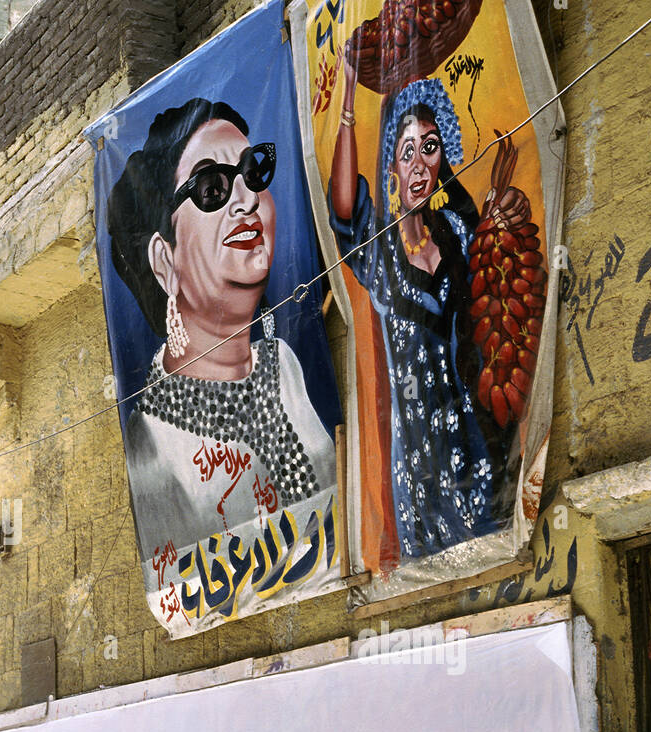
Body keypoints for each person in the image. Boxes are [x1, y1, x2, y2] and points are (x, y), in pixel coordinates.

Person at [107, 98, 336, 568]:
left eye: (254, 172)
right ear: (164, 260)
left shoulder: (283, 366)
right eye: (212, 187)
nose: (247, 198)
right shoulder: (153, 443)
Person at [328, 65, 526, 559]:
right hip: (423, 470)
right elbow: (344, 207)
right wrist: (348, 102)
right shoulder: (380, 255)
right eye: (407, 152)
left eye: (430, 147)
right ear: (392, 168)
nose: (419, 165)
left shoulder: (460, 229)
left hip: (485, 450)